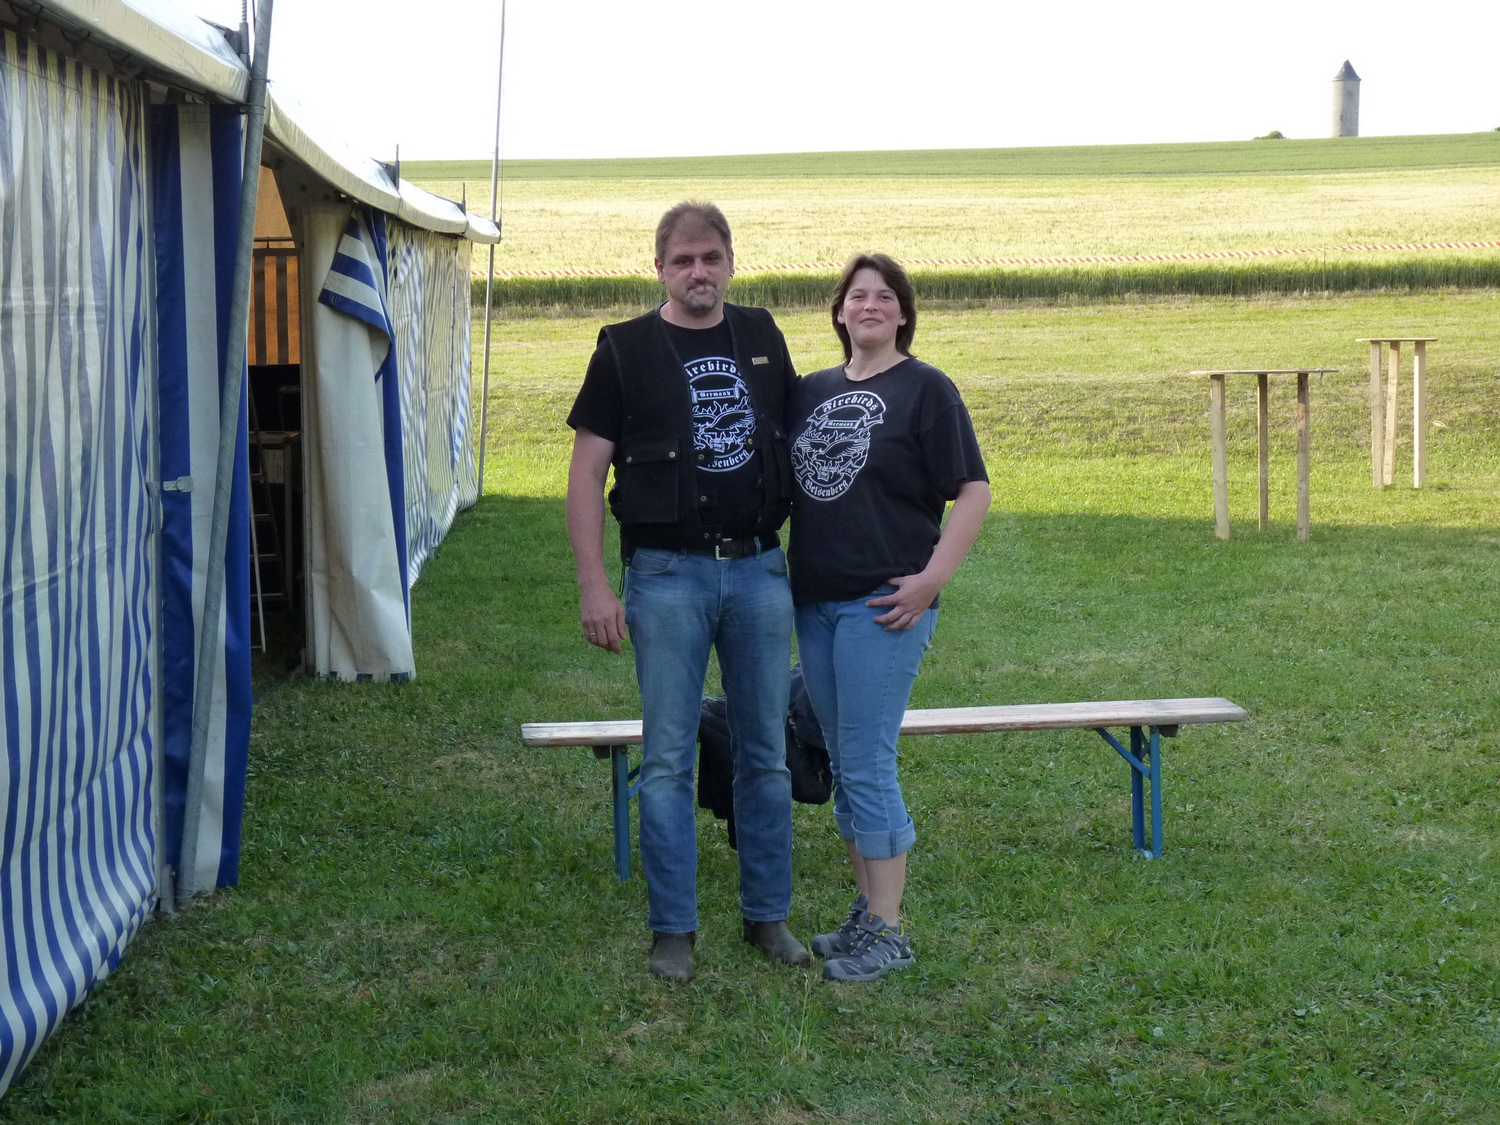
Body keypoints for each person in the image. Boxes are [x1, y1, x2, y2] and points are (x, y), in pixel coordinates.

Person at [566, 201, 808, 982]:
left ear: (731, 261)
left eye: (710, 257)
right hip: (666, 575)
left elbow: (801, 446)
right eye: (683, 260)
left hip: (759, 570)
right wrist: (596, 586)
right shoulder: (624, 350)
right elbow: (585, 474)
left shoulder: (762, 336)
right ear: (660, 268)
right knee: (668, 758)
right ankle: (674, 929)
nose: (698, 272)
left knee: (766, 754)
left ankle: (767, 916)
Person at [788, 253, 991, 982]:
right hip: (816, 602)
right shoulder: (811, 391)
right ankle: (867, 912)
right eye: (856, 295)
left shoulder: (926, 389)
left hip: (884, 604)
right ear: (839, 311)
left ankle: (891, 930)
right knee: (843, 760)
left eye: (884, 296)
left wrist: (931, 581)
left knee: (868, 760)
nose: (869, 305)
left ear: (903, 313)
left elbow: (973, 490)